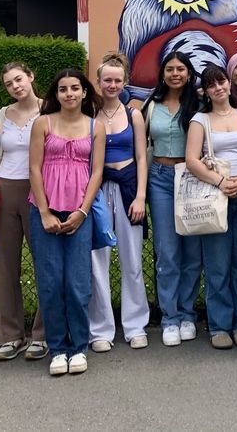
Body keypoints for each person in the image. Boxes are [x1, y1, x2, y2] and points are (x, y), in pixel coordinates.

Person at [28, 69, 106, 376]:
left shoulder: (95, 126)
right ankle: (58, 348)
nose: (70, 93)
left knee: (77, 283)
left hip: (79, 213)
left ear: (85, 92)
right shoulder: (42, 123)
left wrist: (82, 212)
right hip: (44, 211)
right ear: (55, 94)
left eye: (75, 88)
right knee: (50, 283)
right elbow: (34, 169)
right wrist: (45, 212)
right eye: (63, 89)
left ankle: (79, 347)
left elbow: (97, 171)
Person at [186, 65, 237, 349]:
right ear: (206, 90)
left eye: (221, 82)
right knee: (217, 265)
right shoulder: (199, 120)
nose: (218, 88)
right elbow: (192, 160)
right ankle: (219, 325)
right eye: (212, 84)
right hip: (215, 197)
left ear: (228, 84)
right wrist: (220, 182)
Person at [89, 52, 150, 352]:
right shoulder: (89, 114)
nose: (112, 85)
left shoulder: (134, 114)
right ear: (98, 82)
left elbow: (141, 157)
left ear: (125, 82)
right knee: (97, 261)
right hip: (98, 192)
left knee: (132, 261)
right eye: (107, 80)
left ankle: (135, 324)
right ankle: (100, 329)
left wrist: (140, 197)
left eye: (117, 80)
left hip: (128, 190)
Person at [143, 52, 202, 347]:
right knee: (167, 252)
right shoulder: (150, 106)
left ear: (189, 73)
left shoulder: (199, 104)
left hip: (192, 178)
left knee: (192, 252)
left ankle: (188, 313)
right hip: (160, 178)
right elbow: (142, 148)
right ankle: (170, 317)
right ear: (163, 73)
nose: (175, 73)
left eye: (181, 69)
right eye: (170, 69)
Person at [0, 62, 47, 361]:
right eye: (9, 84)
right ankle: (10, 335)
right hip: (5, 189)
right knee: (7, 264)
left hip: (37, 190)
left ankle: (42, 334)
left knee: (43, 262)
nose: (15, 86)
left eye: (18, 79)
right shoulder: (1, 114)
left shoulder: (49, 109)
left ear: (30, 76)